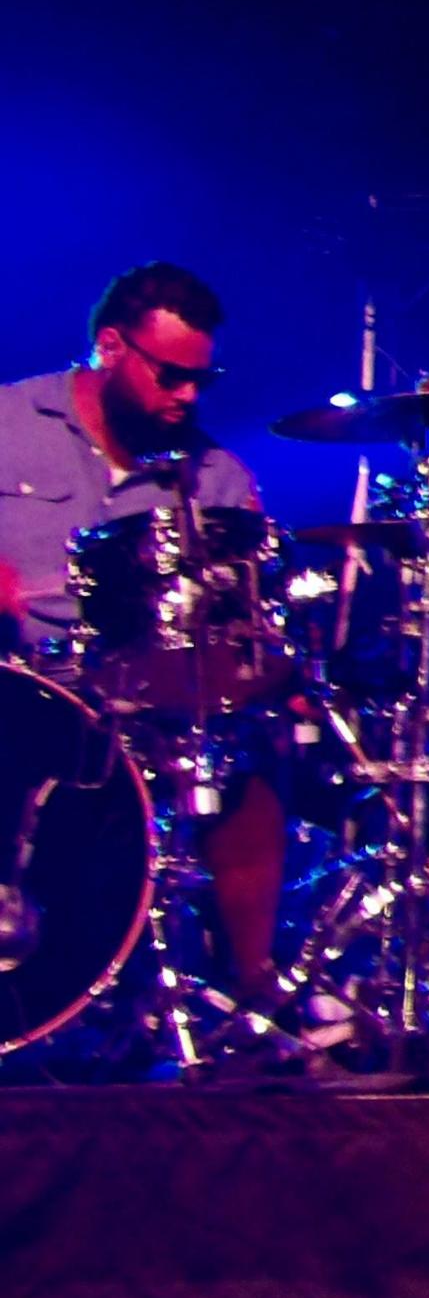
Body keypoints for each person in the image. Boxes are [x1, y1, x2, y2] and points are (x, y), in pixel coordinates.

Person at [0, 262, 294, 1014]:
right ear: (110, 346)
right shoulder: (7, 424)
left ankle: (251, 997)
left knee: (245, 771)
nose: (188, 395)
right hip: (18, 683)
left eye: (203, 378)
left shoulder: (217, 477)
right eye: (170, 375)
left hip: (142, 705)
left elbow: (237, 631)